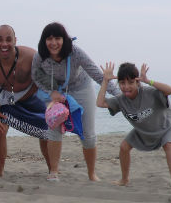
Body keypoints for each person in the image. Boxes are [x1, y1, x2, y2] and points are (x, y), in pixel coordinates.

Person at [31, 22, 121, 182]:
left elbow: (97, 75)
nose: (53, 43)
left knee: (88, 135)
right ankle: (53, 171)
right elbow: (35, 76)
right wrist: (51, 93)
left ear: (64, 39)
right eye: (49, 39)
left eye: (57, 38)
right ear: (44, 41)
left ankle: (92, 174)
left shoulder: (75, 52)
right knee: (54, 129)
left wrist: (119, 95)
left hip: (81, 88)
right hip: (56, 92)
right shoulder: (40, 56)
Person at [0, 24, 50, 176]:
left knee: (47, 130)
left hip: (33, 95)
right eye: (0, 40)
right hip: (6, 98)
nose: (4, 44)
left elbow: (47, 79)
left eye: (8, 39)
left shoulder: (31, 56)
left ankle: (52, 170)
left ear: (15, 40)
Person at [96, 62, 171, 190]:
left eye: (131, 82)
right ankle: (124, 180)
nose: (126, 87)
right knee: (124, 147)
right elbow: (100, 103)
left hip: (165, 124)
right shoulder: (121, 100)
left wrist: (148, 81)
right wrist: (105, 81)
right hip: (143, 129)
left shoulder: (149, 92)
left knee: (168, 144)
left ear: (137, 82)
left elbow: (170, 90)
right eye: (122, 83)